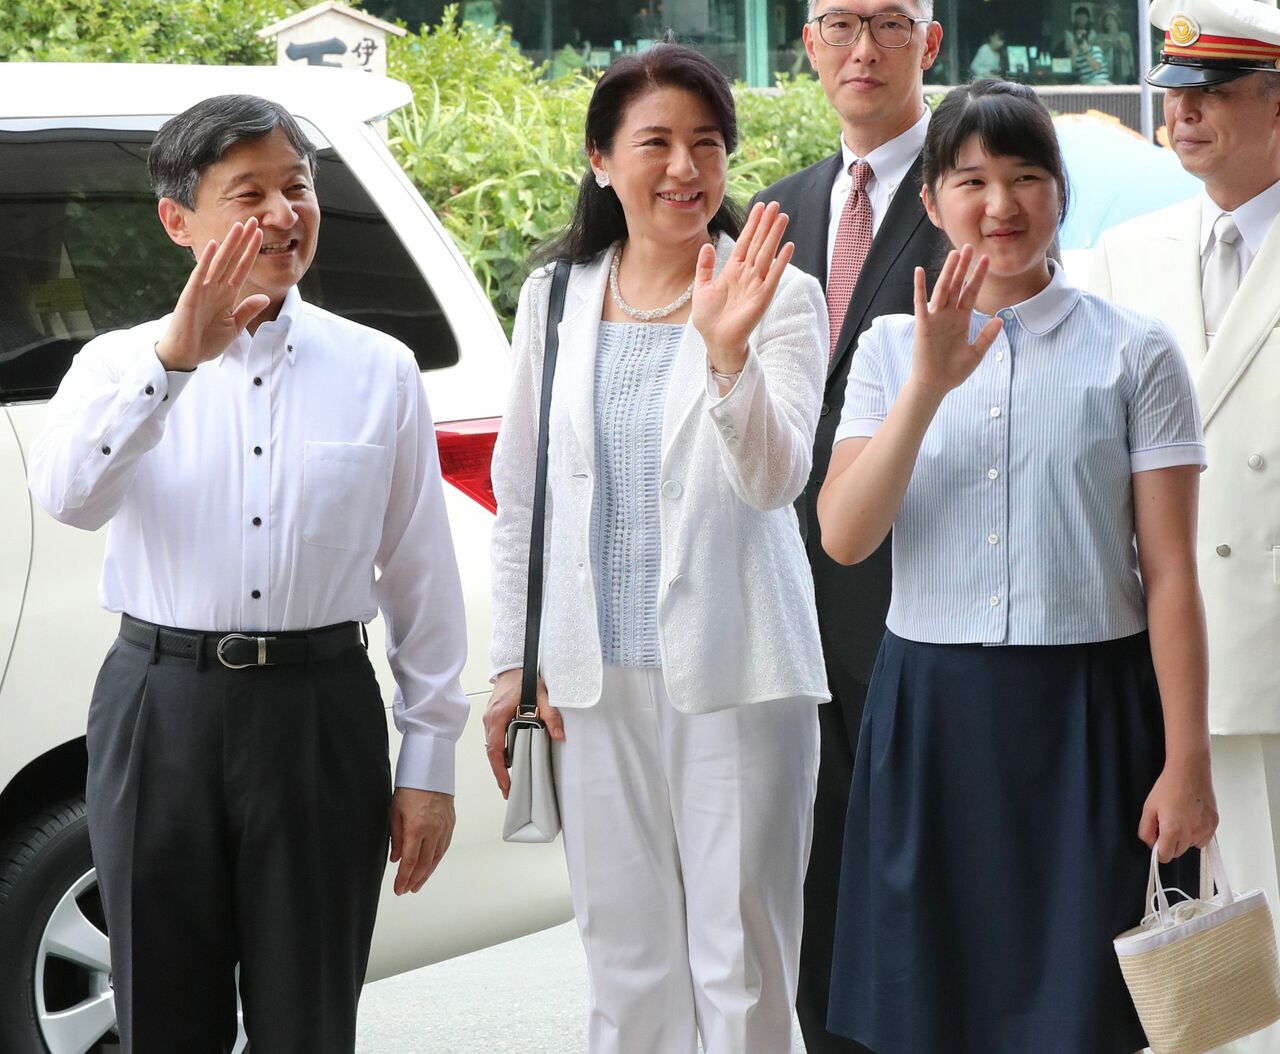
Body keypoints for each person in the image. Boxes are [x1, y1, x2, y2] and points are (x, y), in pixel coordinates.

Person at [26, 95, 468, 1053]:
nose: (282, 213)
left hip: (319, 713)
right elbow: (69, 498)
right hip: (160, 706)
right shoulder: (113, 364)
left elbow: (420, 579)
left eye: (297, 187)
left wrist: (428, 765)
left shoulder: (380, 369)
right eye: (249, 193)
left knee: (309, 1014)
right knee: (164, 1011)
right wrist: (173, 366)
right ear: (180, 221)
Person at [818, 80, 1217, 1053]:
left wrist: (1185, 756)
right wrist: (926, 382)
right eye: (970, 180)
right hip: (932, 713)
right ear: (930, 200)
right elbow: (843, 536)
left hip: (1090, 714)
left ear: (1057, 190)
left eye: (1024, 176)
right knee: (932, 1007)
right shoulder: (882, 351)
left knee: (1083, 1013)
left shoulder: (1132, 351)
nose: (998, 205)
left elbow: (1168, 572)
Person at [484, 43, 829, 1054]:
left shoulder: (779, 296)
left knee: (742, 961)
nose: (684, 167)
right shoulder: (552, 298)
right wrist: (514, 659)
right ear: (600, 159)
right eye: (656, 143)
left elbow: (775, 480)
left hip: (737, 672)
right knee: (624, 959)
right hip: (589, 680)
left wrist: (726, 355)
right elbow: (520, 497)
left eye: (706, 144)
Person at [749, 2, 946, 1050]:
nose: (861, 49)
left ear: (930, 42)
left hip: (919, 592)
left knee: (923, 882)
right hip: (783, 600)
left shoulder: (976, 194)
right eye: (837, 25)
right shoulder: (772, 213)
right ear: (808, 47)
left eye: (887, 23)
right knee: (806, 879)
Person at [1091, 1, 1280, 1049]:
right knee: (1196, 973)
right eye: (1175, 96)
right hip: (1159, 657)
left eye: (1212, 94)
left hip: (1271, 647)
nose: (1185, 114)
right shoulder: (1127, 252)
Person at [1095, 7, 1136, 83]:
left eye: (1111, 20)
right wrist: (1109, 43)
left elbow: (1127, 50)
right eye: (1106, 21)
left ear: (1117, 21)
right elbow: (1098, 52)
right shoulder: (1100, 37)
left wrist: (1118, 43)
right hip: (1107, 71)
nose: (1108, 22)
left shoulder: (1124, 35)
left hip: (1123, 71)